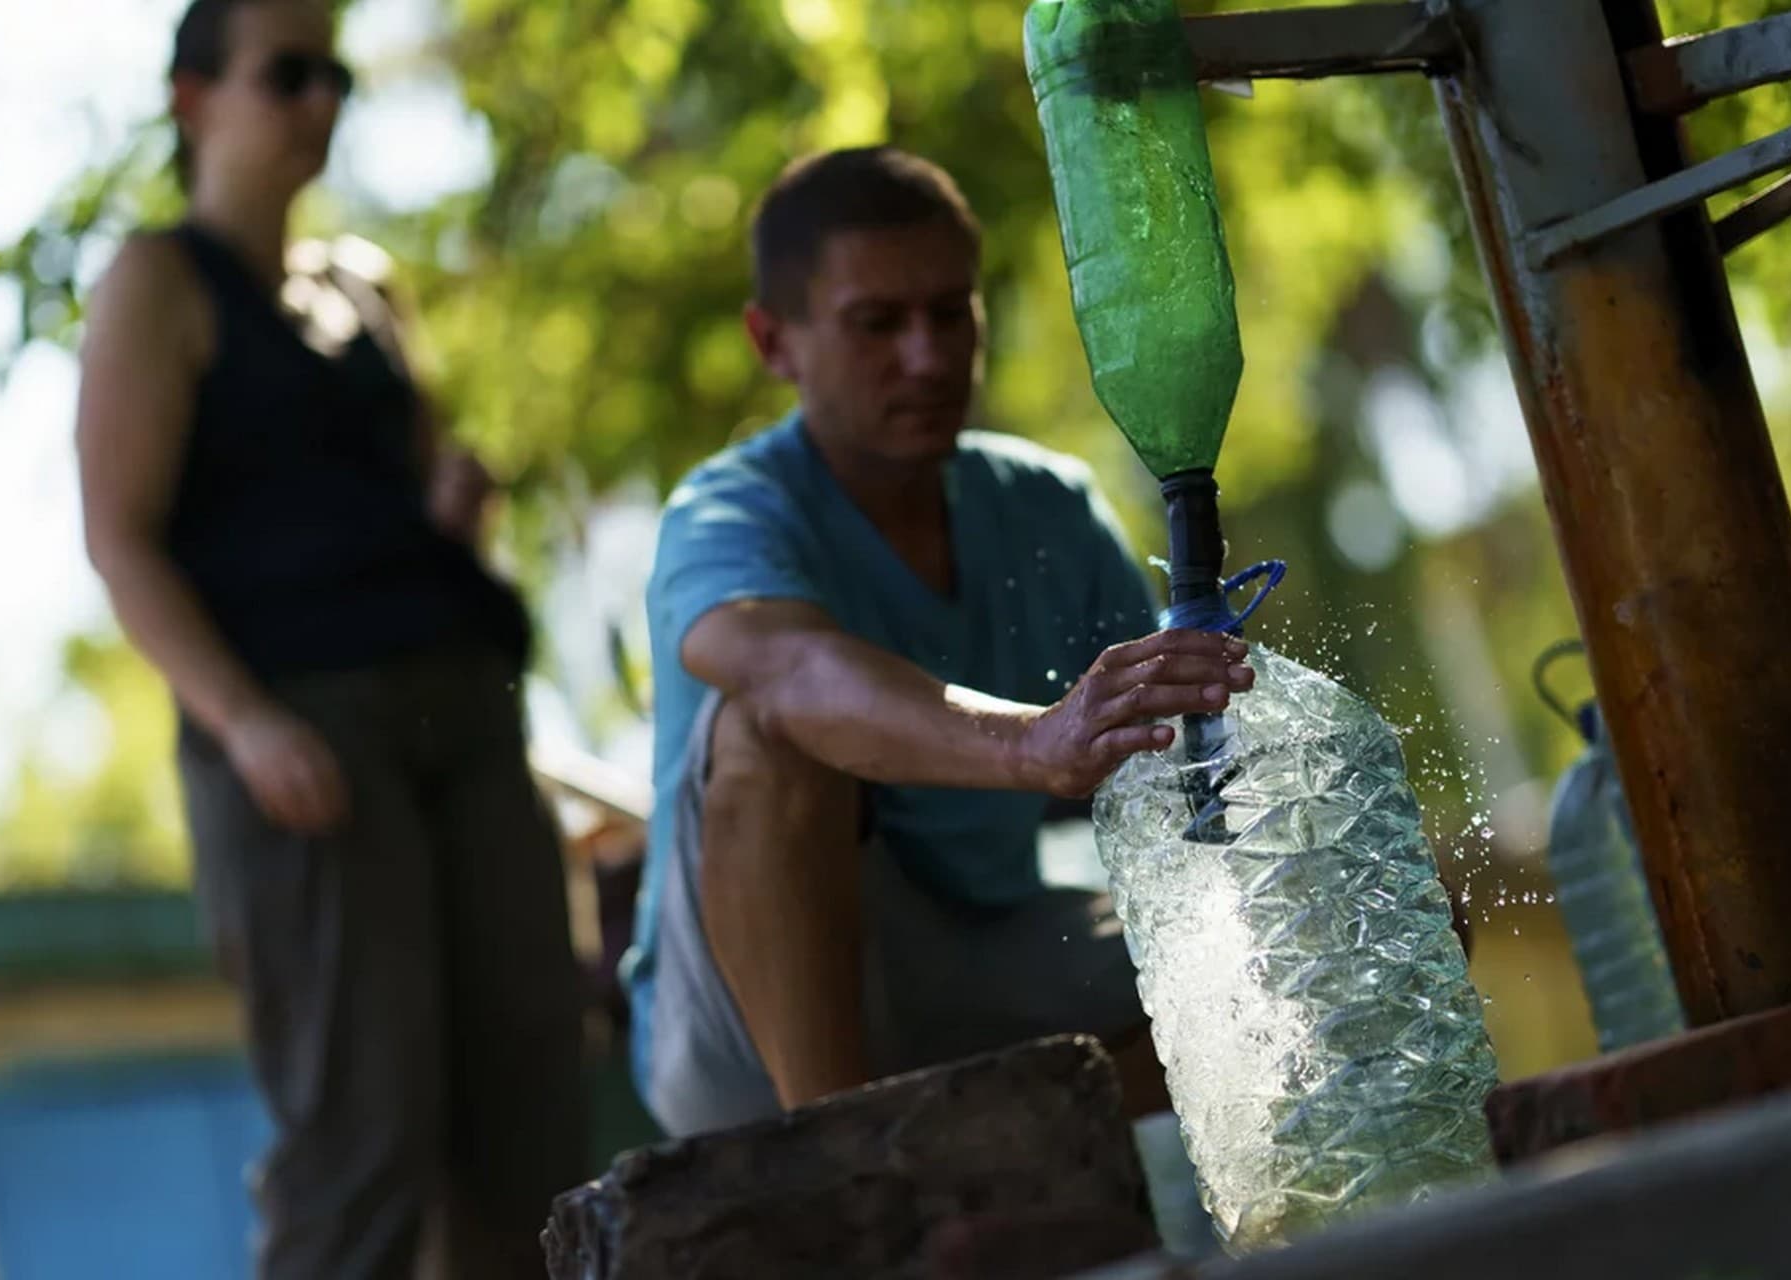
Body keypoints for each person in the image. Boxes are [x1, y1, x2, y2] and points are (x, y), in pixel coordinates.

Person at [74, 1, 584, 1274]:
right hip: (306, 738)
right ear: (193, 97)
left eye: (336, 77)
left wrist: (449, 517)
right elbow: (121, 539)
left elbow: (399, 515)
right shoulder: (159, 282)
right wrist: (245, 722)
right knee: (364, 1134)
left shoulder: (363, 283)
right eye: (285, 74)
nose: (318, 103)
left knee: (529, 1121)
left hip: (463, 717)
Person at [628, 146, 1255, 1137]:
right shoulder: (727, 514)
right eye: (876, 322)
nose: (925, 356)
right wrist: (1034, 742)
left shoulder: (1048, 507)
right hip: (749, 1040)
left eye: (950, 313)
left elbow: (1188, 776)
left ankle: (1000, 1151)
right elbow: (790, 673)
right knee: (767, 737)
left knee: (1352, 914)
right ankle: (848, 1180)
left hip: (997, 960)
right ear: (773, 341)